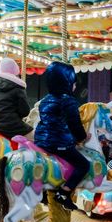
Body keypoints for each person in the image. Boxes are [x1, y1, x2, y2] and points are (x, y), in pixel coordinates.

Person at [34, 62, 90, 211]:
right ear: (66, 82)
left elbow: (53, 122)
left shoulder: (45, 100)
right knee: (84, 164)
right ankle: (64, 193)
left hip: (41, 141)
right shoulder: (68, 101)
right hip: (57, 142)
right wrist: (82, 137)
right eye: (73, 83)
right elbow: (74, 125)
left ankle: (46, 191)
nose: (75, 86)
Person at [0, 57, 33, 140]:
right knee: (36, 139)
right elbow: (25, 111)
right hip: (16, 128)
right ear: (15, 70)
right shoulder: (18, 88)